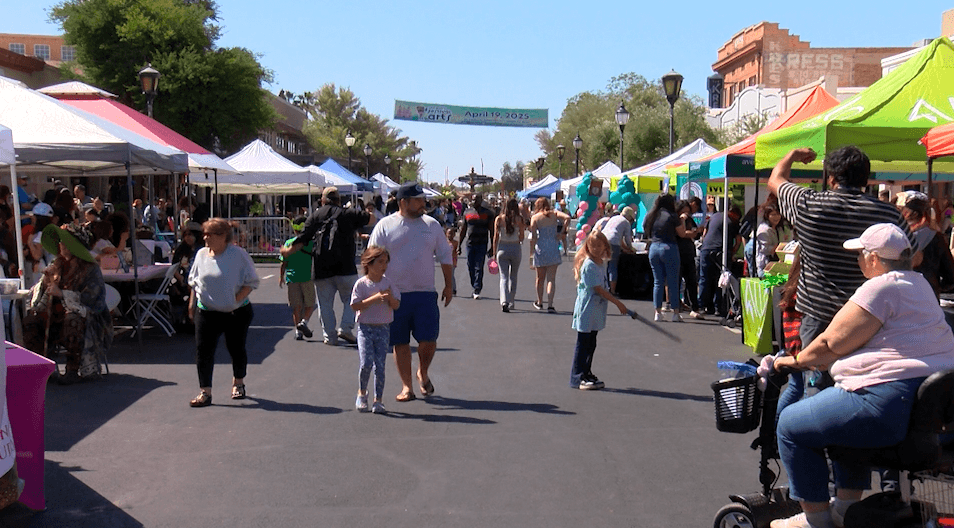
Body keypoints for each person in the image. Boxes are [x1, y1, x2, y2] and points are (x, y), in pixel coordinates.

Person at [767, 223, 954, 528]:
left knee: (790, 424)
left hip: (886, 400)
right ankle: (844, 509)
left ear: (874, 258)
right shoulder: (920, 285)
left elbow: (830, 344)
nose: (857, 261)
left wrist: (793, 360)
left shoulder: (880, 288)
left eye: (860, 254)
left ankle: (816, 520)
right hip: (924, 405)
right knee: (841, 423)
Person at [768, 146, 911, 416]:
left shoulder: (808, 204)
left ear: (831, 177)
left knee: (817, 394)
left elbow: (776, 180)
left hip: (819, 317)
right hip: (869, 318)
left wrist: (792, 155)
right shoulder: (889, 215)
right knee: (862, 390)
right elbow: (912, 257)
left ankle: (806, 436)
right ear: (866, 178)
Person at [368, 182, 454, 402]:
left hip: (425, 293)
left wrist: (449, 284)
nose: (422, 203)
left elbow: (445, 255)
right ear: (403, 202)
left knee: (429, 340)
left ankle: (422, 372)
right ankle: (407, 386)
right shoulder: (385, 225)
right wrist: (373, 288)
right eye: (417, 200)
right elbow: (372, 257)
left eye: (423, 199)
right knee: (400, 342)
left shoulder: (432, 225)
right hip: (395, 294)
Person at [281, 186, 374, 346]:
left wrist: (288, 251)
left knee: (325, 304)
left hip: (322, 267)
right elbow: (371, 219)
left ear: (322, 200)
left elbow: (303, 238)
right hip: (345, 266)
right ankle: (345, 328)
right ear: (339, 199)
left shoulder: (315, 216)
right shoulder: (348, 213)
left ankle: (329, 336)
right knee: (352, 298)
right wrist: (367, 211)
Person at [23, 223, 112, 384]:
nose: (61, 245)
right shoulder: (57, 264)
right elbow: (40, 293)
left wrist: (62, 294)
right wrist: (46, 282)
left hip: (88, 318)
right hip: (55, 313)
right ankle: (45, 367)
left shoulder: (91, 269)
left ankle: (72, 369)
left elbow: (89, 300)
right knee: (32, 320)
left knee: (72, 319)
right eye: (60, 242)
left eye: (65, 242)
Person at [187, 218, 260, 407]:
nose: (205, 238)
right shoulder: (201, 255)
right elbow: (194, 281)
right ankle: (205, 392)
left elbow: (251, 281)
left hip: (235, 313)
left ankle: (238, 383)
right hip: (206, 311)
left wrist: (235, 300)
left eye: (209, 234)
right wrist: (192, 303)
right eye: (204, 234)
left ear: (222, 237)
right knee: (203, 351)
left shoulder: (238, 255)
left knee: (236, 348)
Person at [570, 231, 629, 390]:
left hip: (596, 310)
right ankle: (577, 377)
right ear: (587, 247)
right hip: (587, 309)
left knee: (591, 343)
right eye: (593, 246)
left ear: (605, 246)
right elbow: (598, 289)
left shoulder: (601, 263)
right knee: (583, 344)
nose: (596, 248)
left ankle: (586, 371)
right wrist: (618, 303)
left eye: (599, 245)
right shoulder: (589, 265)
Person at [350, 246, 401, 414]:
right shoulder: (361, 284)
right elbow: (355, 305)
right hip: (365, 328)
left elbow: (396, 305)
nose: (383, 266)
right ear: (369, 264)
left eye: (385, 262)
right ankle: (362, 393)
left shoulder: (388, 283)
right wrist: (374, 299)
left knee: (380, 366)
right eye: (380, 262)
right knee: (366, 363)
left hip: (383, 328)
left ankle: (378, 400)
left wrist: (390, 298)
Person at [643, 194, 687, 322]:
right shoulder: (672, 216)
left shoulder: (651, 215)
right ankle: (675, 313)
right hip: (669, 247)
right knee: (673, 281)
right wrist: (682, 220)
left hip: (654, 247)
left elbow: (645, 228)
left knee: (658, 282)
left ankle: (657, 312)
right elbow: (682, 233)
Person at [902, 196, 954, 299]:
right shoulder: (936, 237)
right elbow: (951, 276)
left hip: (902, 295)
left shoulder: (898, 235)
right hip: (929, 294)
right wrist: (937, 286)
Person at [697, 204, 742, 317]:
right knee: (721, 279)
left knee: (704, 278)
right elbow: (738, 240)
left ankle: (702, 306)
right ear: (735, 214)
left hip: (706, 249)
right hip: (721, 250)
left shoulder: (714, 216)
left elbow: (704, 233)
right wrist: (733, 252)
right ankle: (718, 307)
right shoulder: (733, 222)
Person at [529, 197, 570, 312]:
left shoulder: (535, 217)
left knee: (540, 278)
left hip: (541, 247)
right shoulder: (554, 214)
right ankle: (550, 304)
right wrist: (562, 232)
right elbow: (567, 218)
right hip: (553, 245)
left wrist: (531, 253)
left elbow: (533, 237)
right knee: (551, 279)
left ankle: (540, 302)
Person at [279, 216, 316, 341]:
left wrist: (281, 277)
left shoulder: (288, 243)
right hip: (307, 277)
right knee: (310, 304)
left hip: (292, 278)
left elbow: (283, 262)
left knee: (296, 307)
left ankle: (297, 331)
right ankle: (304, 322)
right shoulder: (310, 243)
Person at [458, 193, 495, 299]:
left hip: (482, 243)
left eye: (476, 200)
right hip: (470, 244)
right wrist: (459, 245)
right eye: (473, 200)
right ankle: (474, 284)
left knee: (479, 266)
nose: (474, 201)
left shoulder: (487, 213)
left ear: (481, 200)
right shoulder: (467, 212)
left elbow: (492, 231)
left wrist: (493, 247)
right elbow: (463, 230)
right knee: (470, 266)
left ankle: (477, 288)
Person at [492, 198, 524, 312]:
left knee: (503, 276)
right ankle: (511, 301)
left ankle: (504, 300)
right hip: (515, 248)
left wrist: (494, 253)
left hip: (502, 248)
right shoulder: (519, 219)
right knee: (513, 276)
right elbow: (521, 237)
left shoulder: (499, 219)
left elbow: (495, 237)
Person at [598, 206, 637, 296]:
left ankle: (603, 287)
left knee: (604, 264)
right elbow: (627, 240)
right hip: (613, 242)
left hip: (603, 239)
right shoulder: (626, 222)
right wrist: (631, 249)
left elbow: (618, 238)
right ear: (629, 217)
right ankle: (612, 291)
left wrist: (625, 248)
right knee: (613, 266)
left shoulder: (614, 218)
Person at [675, 199, 704, 319]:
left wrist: (696, 231)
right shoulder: (676, 220)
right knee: (677, 281)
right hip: (678, 252)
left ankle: (694, 307)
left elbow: (695, 233)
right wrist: (689, 233)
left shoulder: (690, 219)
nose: (687, 213)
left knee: (691, 280)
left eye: (688, 211)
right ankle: (676, 306)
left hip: (689, 252)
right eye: (684, 211)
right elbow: (680, 233)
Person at [754, 203, 792, 278]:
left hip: (778, 265)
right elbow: (765, 249)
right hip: (765, 267)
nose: (776, 217)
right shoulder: (763, 230)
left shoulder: (779, 228)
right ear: (767, 216)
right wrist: (778, 247)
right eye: (773, 215)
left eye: (778, 214)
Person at [446, 226, 458, 296]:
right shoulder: (444, 242)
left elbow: (457, 251)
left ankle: (453, 289)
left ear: (454, 235)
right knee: (448, 276)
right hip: (446, 262)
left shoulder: (456, 243)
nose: (450, 235)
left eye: (451, 234)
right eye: (449, 233)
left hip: (452, 262)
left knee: (451, 275)